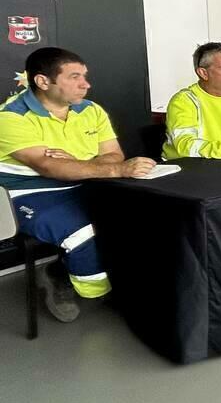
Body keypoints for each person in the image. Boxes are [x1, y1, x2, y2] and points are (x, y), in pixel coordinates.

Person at [0, 47, 157, 321]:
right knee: (83, 231)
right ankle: (94, 291)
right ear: (42, 81)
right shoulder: (10, 117)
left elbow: (113, 154)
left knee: (142, 214)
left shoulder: (90, 110)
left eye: (84, 76)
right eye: (75, 77)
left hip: (88, 183)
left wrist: (76, 161)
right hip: (30, 194)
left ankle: (60, 271)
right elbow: (50, 167)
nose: (86, 84)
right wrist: (111, 168)